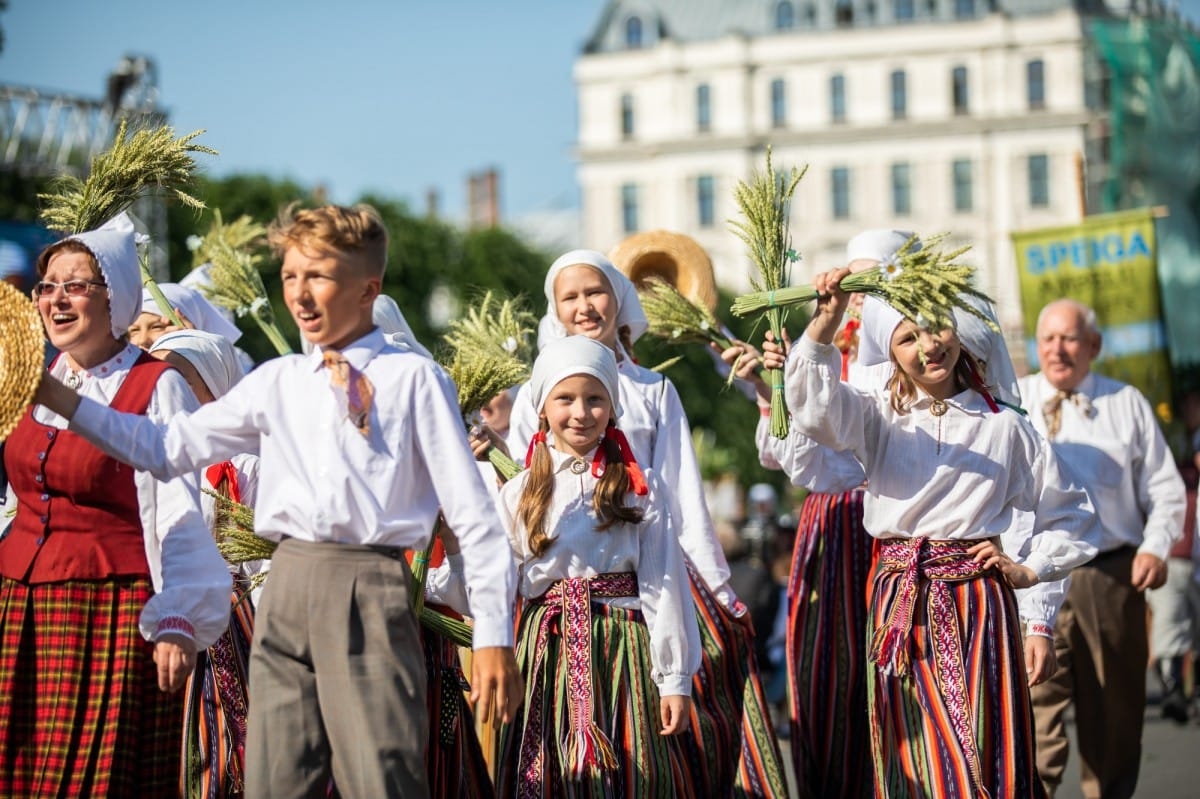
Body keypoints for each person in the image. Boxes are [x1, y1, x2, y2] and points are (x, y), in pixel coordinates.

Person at [33, 203, 523, 799]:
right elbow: (163, 447)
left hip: (367, 580)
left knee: (380, 774)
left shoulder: (414, 379)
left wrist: (495, 633)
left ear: (368, 287)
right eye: (290, 277)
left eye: (319, 276)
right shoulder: (279, 380)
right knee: (276, 778)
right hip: (285, 585)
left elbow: (474, 517)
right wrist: (60, 398)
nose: (300, 294)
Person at [771, 263, 1102, 798]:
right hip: (900, 602)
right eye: (906, 337)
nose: (927, 345)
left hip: (978, 603)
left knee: (981, 745)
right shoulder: (877, 416)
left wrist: (1029, 569)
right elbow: (812, 410)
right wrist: (824, 324)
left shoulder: (1004, 425)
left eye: (936, 326)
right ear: (889, 350)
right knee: (912, 752)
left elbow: (1073, 513)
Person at [506, 249, 788, 797]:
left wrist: (715, 583)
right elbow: (528, 484)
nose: (585, 306)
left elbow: (680, 493)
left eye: (596, 292)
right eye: (571, 296)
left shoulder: (653, 390)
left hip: (648, 571)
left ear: (619, 298)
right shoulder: (534, 394)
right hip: (557, 584)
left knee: (684, 719)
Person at [0, 213, 233, 797]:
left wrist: (179, 616)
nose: (56, 300)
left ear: (116, 299)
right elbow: (14, 501)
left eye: (75, 286)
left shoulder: (156, 385)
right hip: (18, 606)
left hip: (106, 608)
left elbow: (179, 507)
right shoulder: (34, 377)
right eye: (47, 286)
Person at [491, 335, 699, 796]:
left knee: (631, 771)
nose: (581, 412)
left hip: (621, 648)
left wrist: (674, 678)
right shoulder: (518, 492)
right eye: (565, 398)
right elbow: (494, 586)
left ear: (612, 407)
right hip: (546, 650)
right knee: (549, 773)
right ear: (542, 408)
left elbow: (663, 585)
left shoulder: (639, 487)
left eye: (595, 399)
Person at [1022, 298, 1186, 799]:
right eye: (1047, 338)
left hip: (1109, 578)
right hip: (1033, 579)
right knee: (1033, 719)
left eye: (1069, 338)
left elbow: (1165, 489)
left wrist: (1155, 547)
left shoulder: (1125, 402)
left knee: (1113, 718)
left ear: (1093, 345)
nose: (1057, 349)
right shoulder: (1013, 399)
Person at [149, 328, 261, 798]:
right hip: (155, 632)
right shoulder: (144, 461)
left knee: (225, 757)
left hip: (232, 633)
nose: (165, 389)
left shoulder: (247, 464)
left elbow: (264, 565)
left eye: (179, 377)